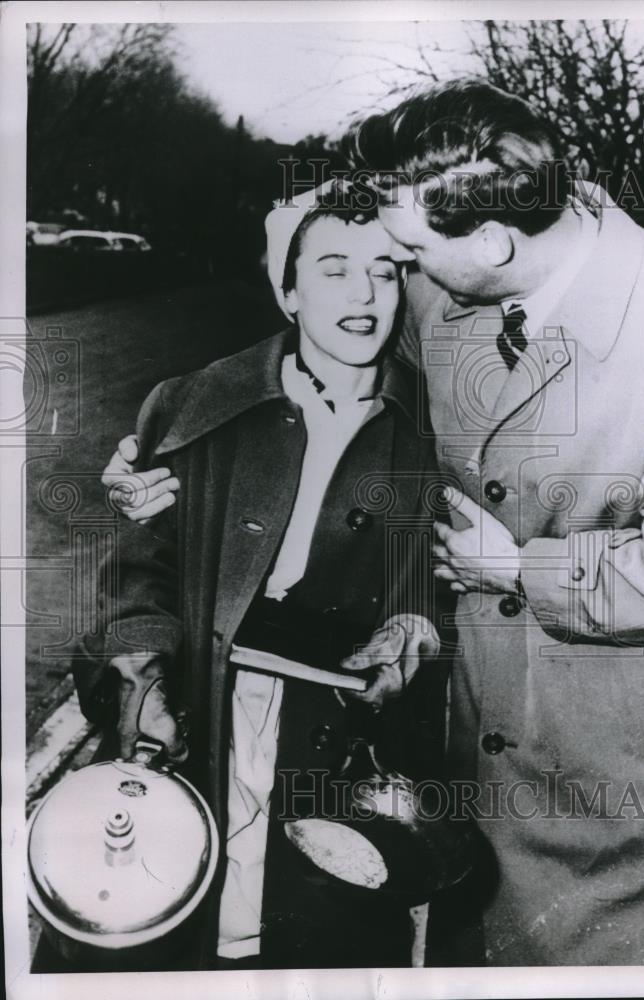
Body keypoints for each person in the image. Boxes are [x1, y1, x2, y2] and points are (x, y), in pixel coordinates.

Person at [106, 79, 644, 967]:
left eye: (404, 251)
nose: (393, 272)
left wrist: (522, 570)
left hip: (634, 772)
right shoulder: (452, 277)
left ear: (490, 241)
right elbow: (315, 315)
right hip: (480, 748)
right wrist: (162, 449)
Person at [71, 187, 446, 971]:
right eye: (333, 269)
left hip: (332, 739)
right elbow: (138, 572)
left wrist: (409, 639)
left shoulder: (431, 431)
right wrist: (146, 685)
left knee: (309, 936)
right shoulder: (192, 404)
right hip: (205, 709)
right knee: (173, 919)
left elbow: (429, 589)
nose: (363, 295)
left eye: (385, 271)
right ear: (286, 289)